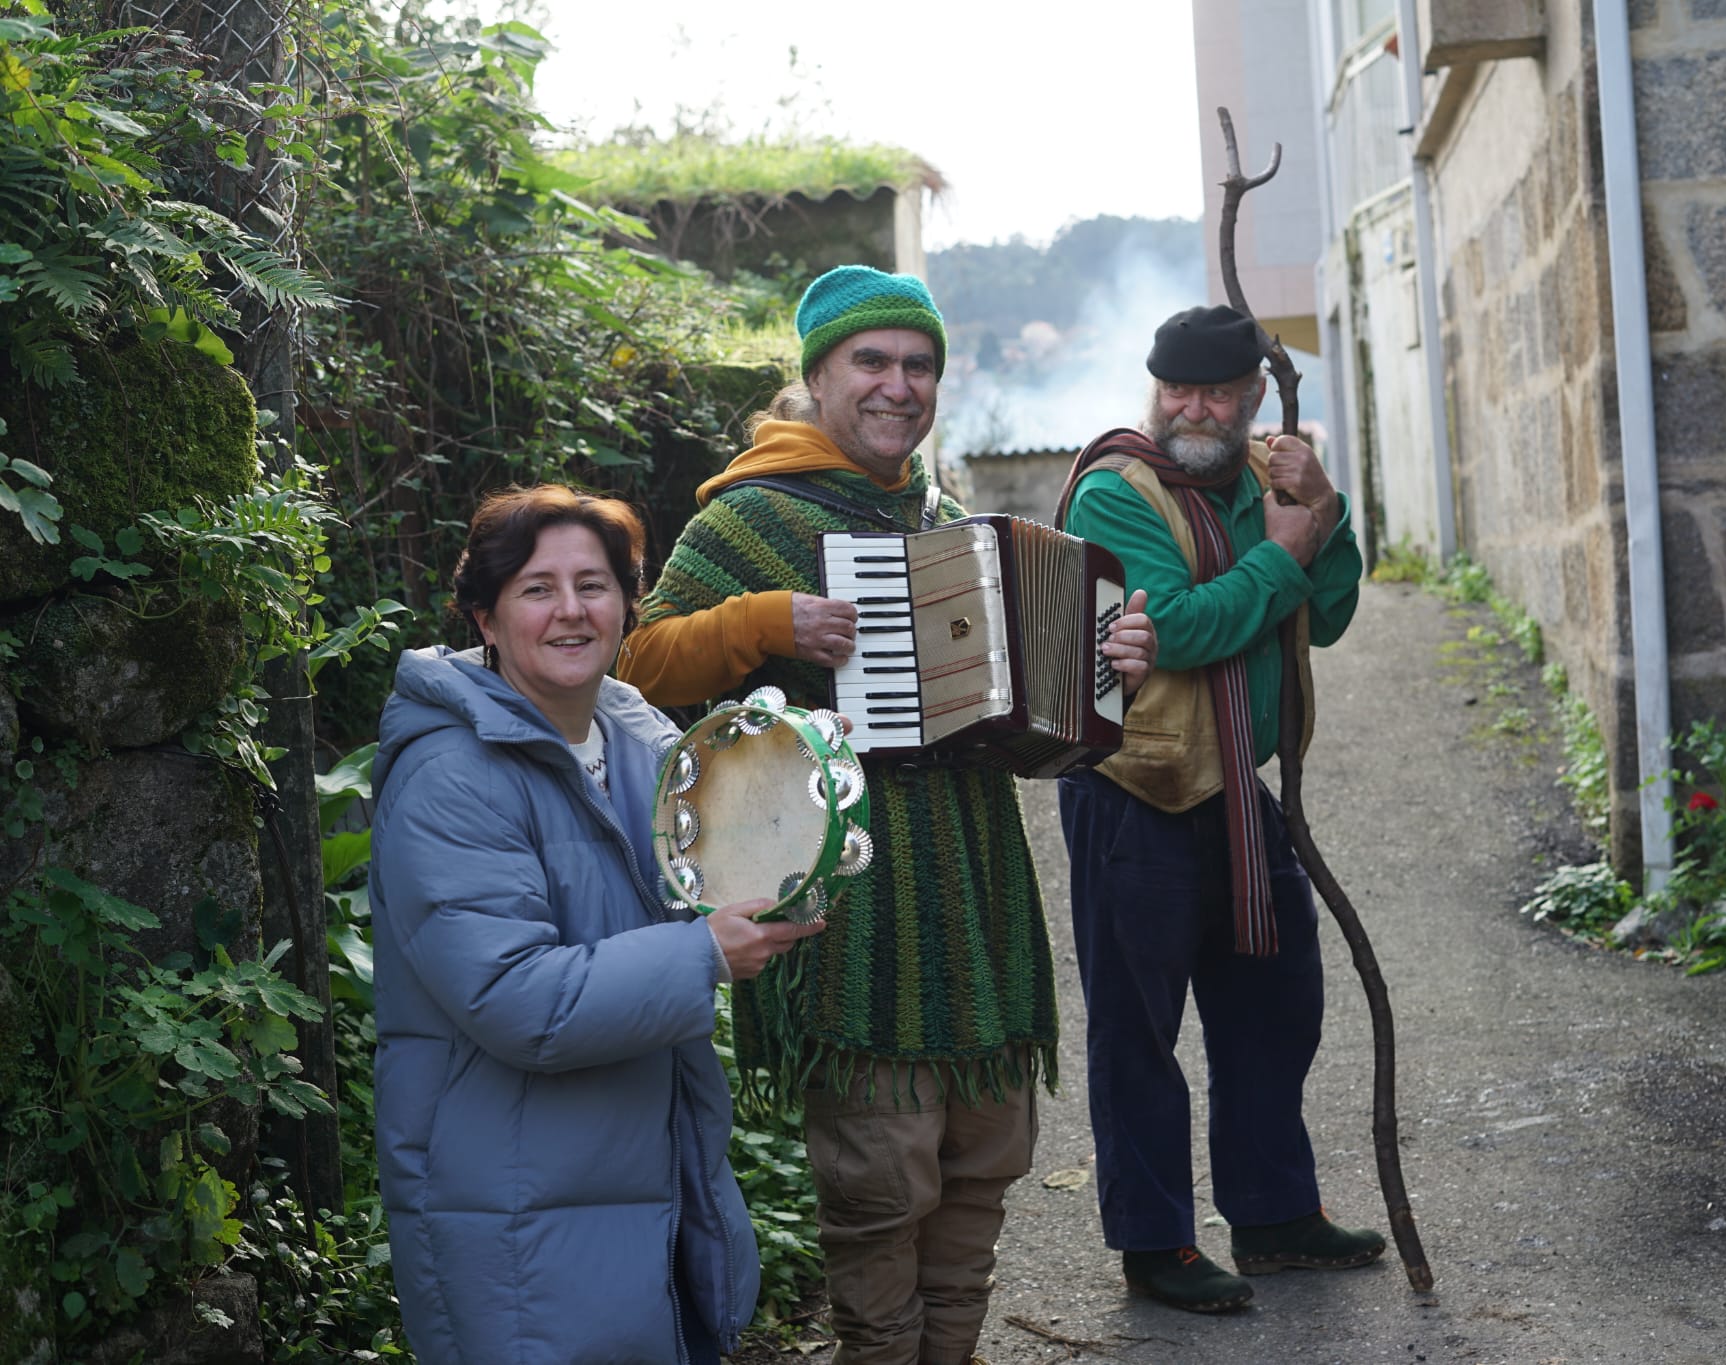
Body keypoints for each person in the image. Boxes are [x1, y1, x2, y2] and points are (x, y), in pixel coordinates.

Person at [616, 265, 1156, 1365]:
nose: (896, 385)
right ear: (815, 375)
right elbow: (635, 663)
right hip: (848, 899)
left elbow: (1027, 735)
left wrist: (1108, 679)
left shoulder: (945, 518)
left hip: (973, 886)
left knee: (979, 1170)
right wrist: (766, 620)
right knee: (879, 1182)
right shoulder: (751, 514)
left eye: (918, 366)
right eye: (870, 361)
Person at [369, 484, 824, 1364]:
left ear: (628, 606)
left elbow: (724, 863)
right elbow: (517, 997)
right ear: (485, 618)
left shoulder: (636, 735)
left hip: (639, 1167)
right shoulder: (450, 777)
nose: (571, 610)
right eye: (537, 588)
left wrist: (802, 774)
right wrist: (703, 956)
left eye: (595, 584)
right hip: (509, 1190)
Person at [1053, 304, 1379, 1314]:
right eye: (1173, 389)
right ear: (1152, 389)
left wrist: (1320, 516)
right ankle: (1155, 1245)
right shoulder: (1113, 493)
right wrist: (1281, 556)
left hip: (1242, 792)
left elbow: (1325, 615)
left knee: (1273, 1008)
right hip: (1133, 793)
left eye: (1213, 392)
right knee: (1137, 1031)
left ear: (1251, 397)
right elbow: (1179, 632)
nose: (1190, 407)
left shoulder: (1264, 479)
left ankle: (1274, 1216)